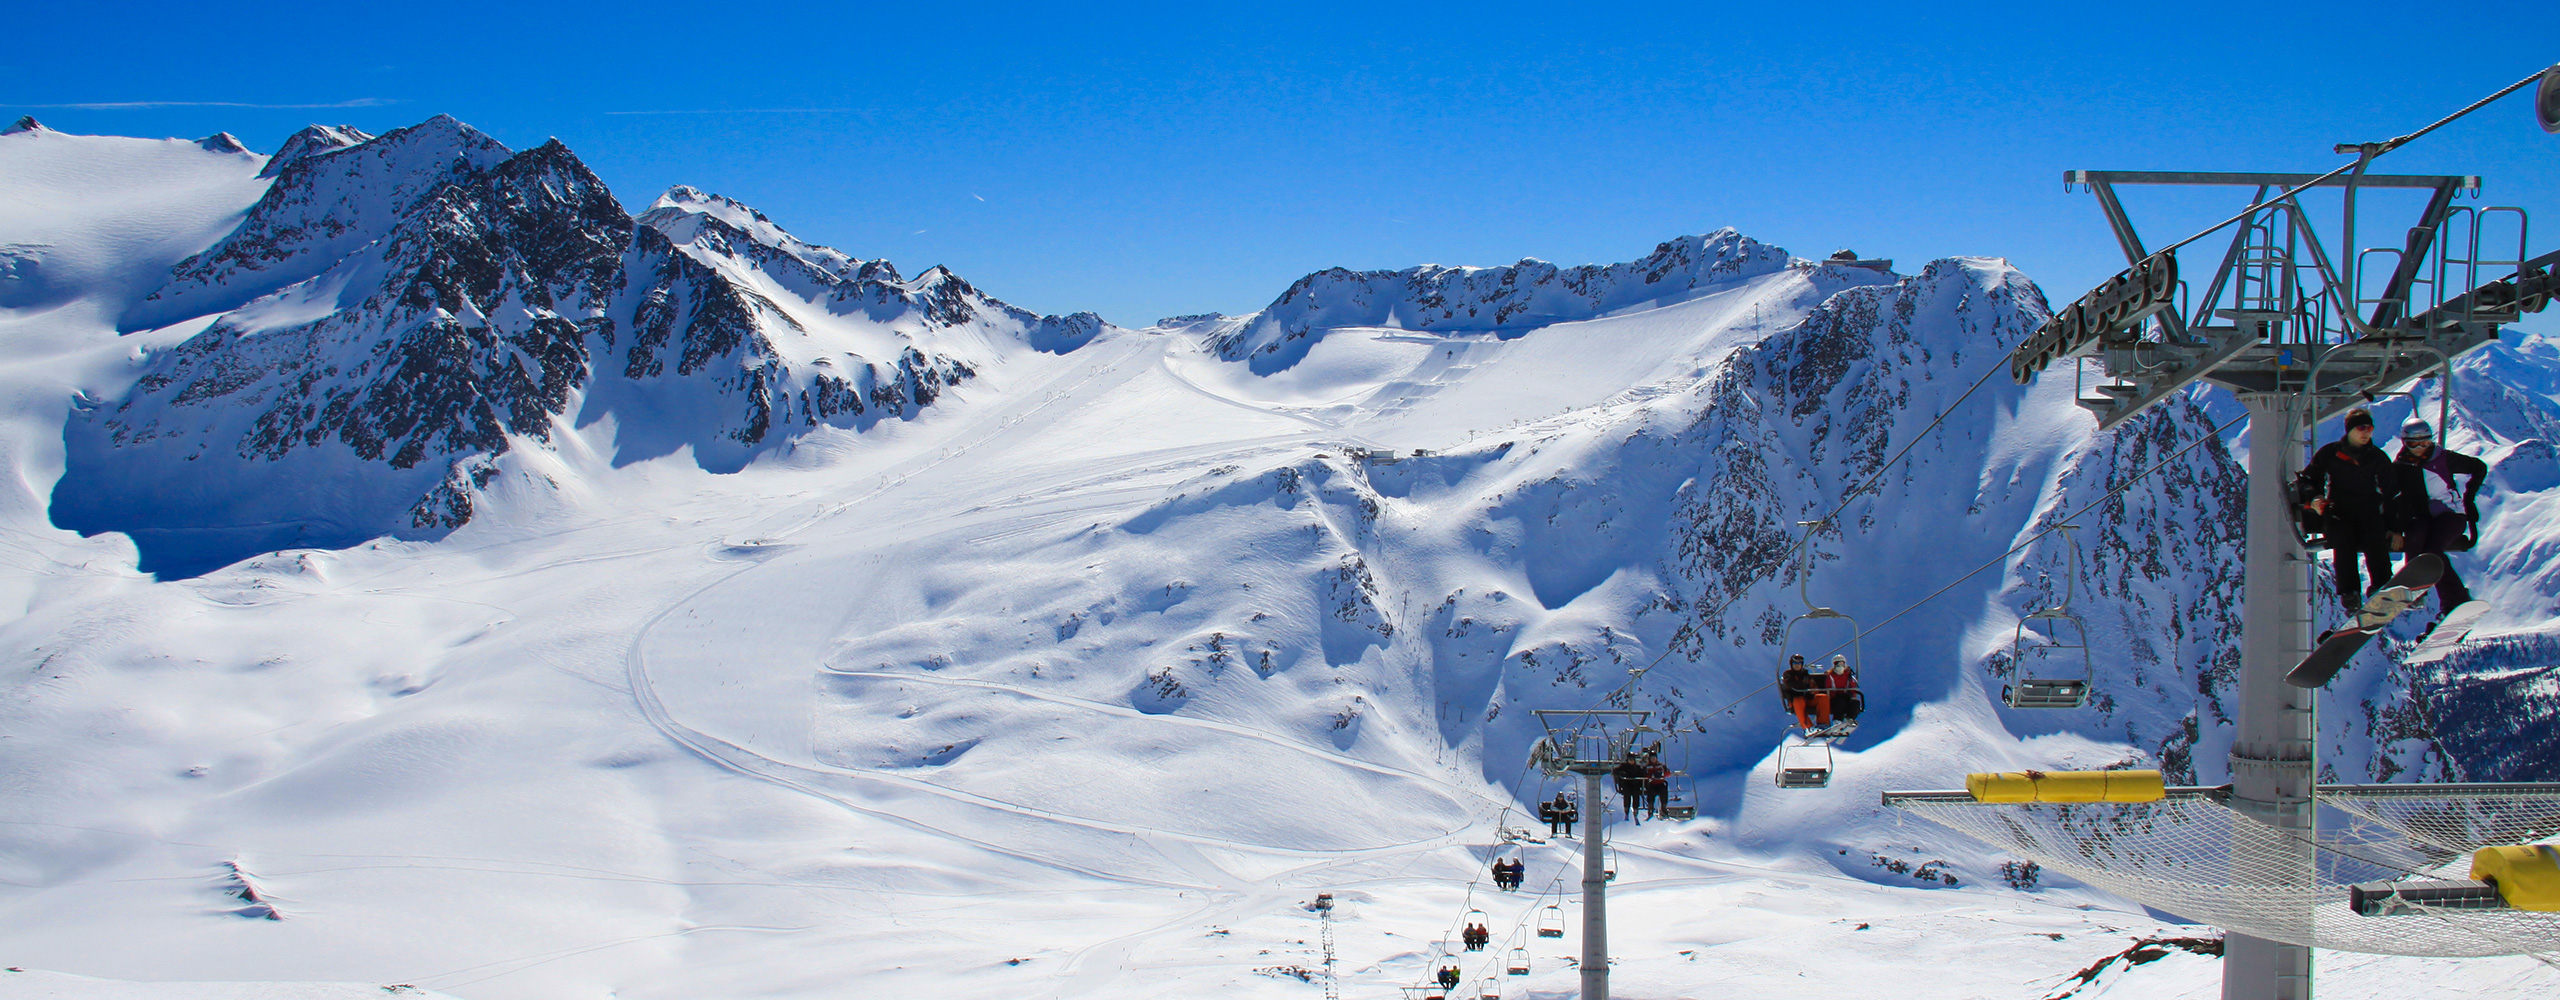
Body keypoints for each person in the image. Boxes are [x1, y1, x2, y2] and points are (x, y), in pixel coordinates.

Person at [2300, 408, 2402, 612]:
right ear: (2350, 430)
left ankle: (2381, 586)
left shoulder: (2377, 458)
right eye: (2361, 428)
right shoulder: (2330, 454)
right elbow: (2309, 479)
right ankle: (2350, 593)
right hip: (2339, 511)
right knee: (2342, 540)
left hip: (2369, 511)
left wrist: (2395, 528)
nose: (2366, 433)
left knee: (2375, 541)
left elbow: (2392, 493)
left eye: (2370, 428)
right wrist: (2315, 499)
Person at [2392, 418, 2487, 620]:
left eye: (2424, 443)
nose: (2419, 448)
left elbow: (2478, 467)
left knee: (2432, 551)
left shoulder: (2443, 458)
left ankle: (2455, 602)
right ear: (2404, 442)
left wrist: (2469, 499)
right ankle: (2416, 592)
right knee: (2415, 539)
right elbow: (2394, 497)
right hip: (2422, 516)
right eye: (2413, 444)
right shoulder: (2401, 466)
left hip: (2450, 514)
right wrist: (2395, 529)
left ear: (2431, 441)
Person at [1780, 654, 1820, 730]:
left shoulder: (1805, 675)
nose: (1797, 665)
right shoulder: (1788, 674)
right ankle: (1808, 728)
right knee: (1799, 701)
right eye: (1795, 663)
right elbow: (1793, 685)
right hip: (1795, 700)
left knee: (1822, 698)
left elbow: (1813, 686)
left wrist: (1813, 692)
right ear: (1791, 664)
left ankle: (1823, 724)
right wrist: (1805, 687)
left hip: (1808, 699)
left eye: (1799, 663)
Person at [1827, 655, 1863, 723]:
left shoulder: (1848, 675)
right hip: (1835, 698)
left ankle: (1850, 718)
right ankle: (1837, 720)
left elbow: (1852, 688)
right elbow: (1829, 688)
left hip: (1846, 696)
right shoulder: (1830, 676)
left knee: (1855, 703)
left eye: (1842, 664)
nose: (1840, 666)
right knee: (1840, 702)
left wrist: (1852, 696)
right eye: (1837, 664)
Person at [1613, 756, 1646, 822]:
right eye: (1630, 760)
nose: (1631, 761)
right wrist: (1621, 774)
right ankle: (1626, 809)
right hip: (1626, 785)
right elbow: (1615, 771)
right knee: (1627, 795)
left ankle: (1635, 809)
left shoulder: (1637, 768)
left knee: (1636, 794)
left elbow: (1642, 774)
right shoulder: (1624, 767)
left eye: (1632, 760)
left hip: (1635, 785)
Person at [1642, 754, 1671, 818]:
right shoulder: (1646, 767)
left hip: (1660, 783)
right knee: (1650, 791)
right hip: (1652, 783)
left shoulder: (1661, 765)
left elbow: (1668, 773)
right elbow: (1643, 775)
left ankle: (1664, 806)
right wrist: (1651, 776)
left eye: (1654, 758)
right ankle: (1650, 806)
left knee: (1663, 790)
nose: (1653, 759)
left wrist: (1662, 774)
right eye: (1652, 758)